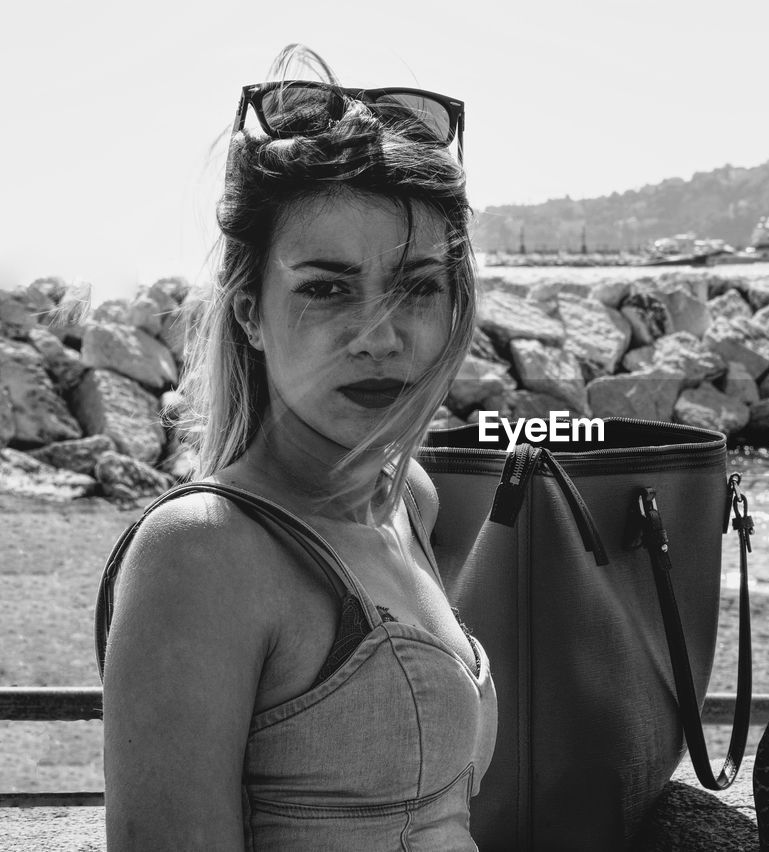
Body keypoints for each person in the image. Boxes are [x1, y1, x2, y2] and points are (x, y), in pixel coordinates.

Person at [97, 45, 495, 850]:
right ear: (249, 314)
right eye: (326, 287)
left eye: (417, 284)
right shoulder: (203, 555)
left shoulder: (406, 498)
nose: (380, 335)